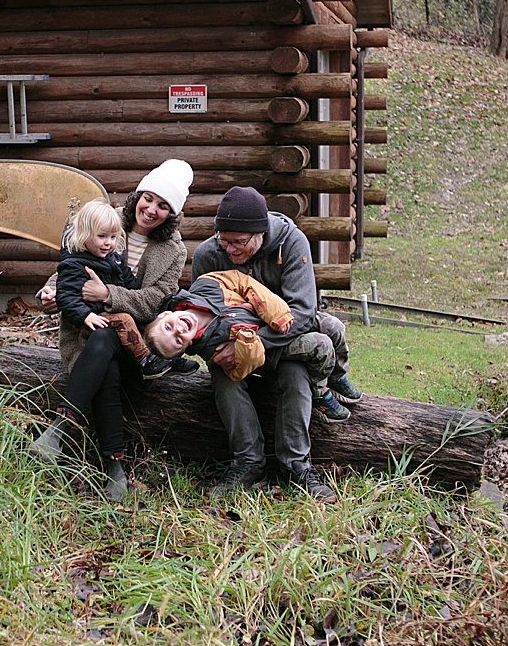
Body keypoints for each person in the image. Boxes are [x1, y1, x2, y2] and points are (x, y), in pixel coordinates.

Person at [31, 159, 194, 501]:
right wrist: (50, 292)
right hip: (84, 332)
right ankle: (115, 469)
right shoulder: (104, 218)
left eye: (163, 206)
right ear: (140, 194)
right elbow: (70, 262)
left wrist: (109, 295)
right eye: (149, 198)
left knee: (108, 338)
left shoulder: (173, 251)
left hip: (138, 343)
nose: (151, 210)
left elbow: (154, 300)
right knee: (106, 364)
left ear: (171, 214)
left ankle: (58, 429)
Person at [189, 186, 360, 499]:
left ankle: (296, 467)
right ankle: (247, 462)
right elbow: (198, 314)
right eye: (223, 240)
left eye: (238, 242)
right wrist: (219, 347)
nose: (229, 250)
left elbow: (304, 314)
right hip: (232, 344)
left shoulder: (292, 243)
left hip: (284, 341)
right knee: (222, 373)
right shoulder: (207, 255)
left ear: (260, 233)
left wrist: (252, 345)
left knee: (296, 373)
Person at [144, 270, 360, 421]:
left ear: (165, 314)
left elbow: (243, 282)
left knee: (335, 326)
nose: (178, 331)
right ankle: (319, 391)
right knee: (321, 346)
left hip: (281, 318)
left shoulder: (205, 285)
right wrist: (248, 341)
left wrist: (276, 314)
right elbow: (244, 367)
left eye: (168, 327)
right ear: (187, 346)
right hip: (274, 349)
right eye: (178, 341)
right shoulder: (212, 348)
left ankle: (338, 375)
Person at [53, 198, 171, 379]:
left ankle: (164, 356)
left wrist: (122, 293)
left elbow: (130, 284)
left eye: (113, 237)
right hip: (87, 319)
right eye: (102, 236)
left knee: (137, 320)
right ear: (85, 234)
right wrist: (85, 315)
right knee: (124, 319)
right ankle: (145, 360)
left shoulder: (114, 259)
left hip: (106, 312)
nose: (108, 243)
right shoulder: (75, 264)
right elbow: (66, 295)